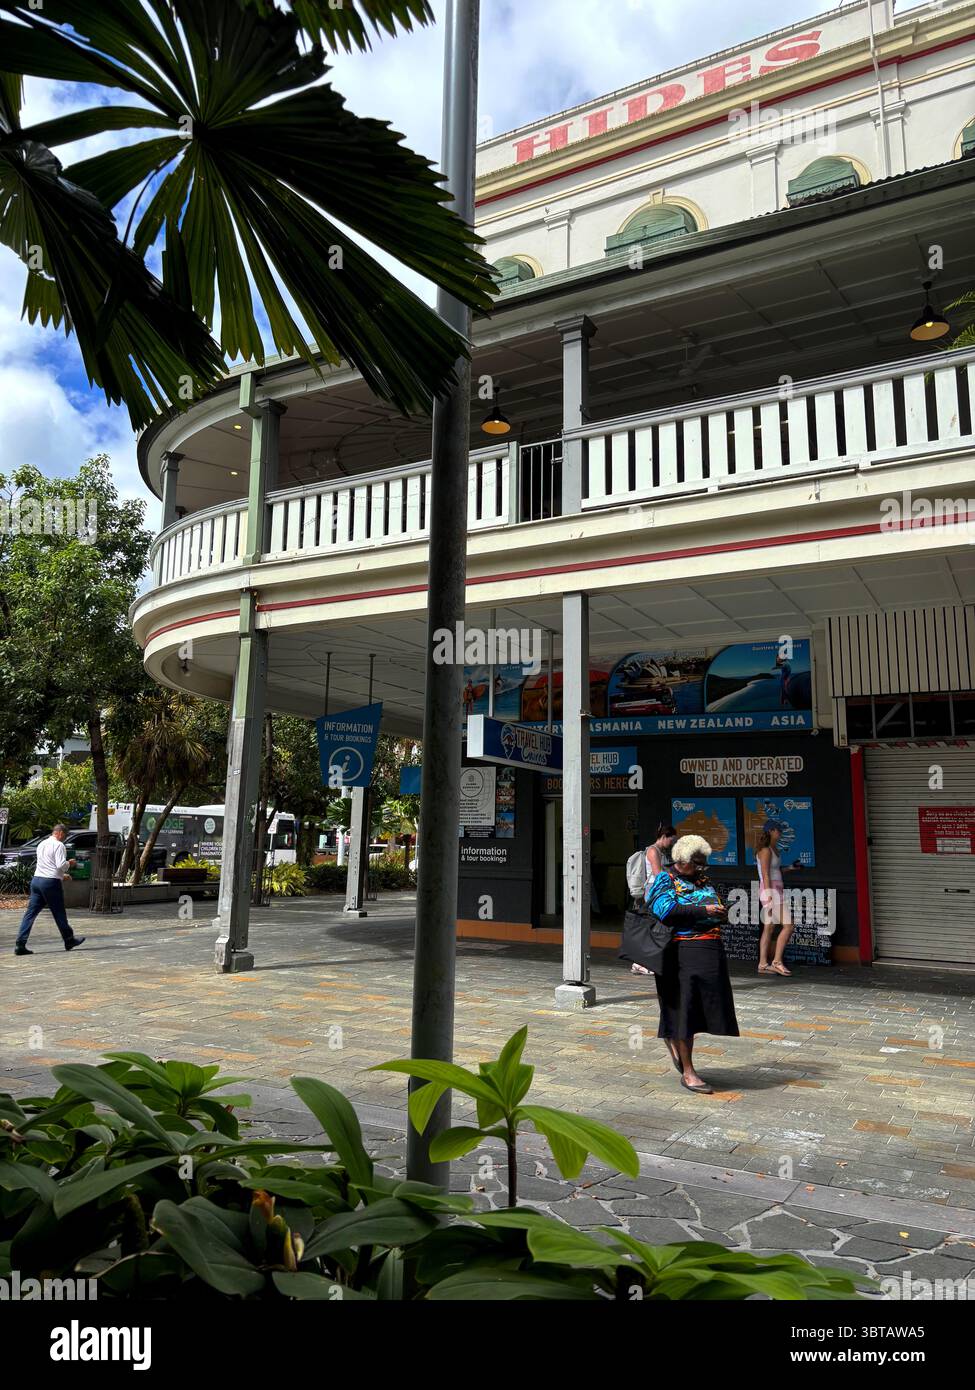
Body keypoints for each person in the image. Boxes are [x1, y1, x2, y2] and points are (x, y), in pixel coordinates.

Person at [646, 833, 739, 1094]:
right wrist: (704, 912)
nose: (701, 868)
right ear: (682, 859)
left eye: (704, 863)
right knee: (684, 1010)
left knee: (700, 1010)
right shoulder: (666, 879)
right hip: (680, 954)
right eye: (698, 862)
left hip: (709, 952)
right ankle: (688, 1072)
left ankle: (673, 1039)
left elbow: (709, 906)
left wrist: (719, 914)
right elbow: (666, 911)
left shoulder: (703, 881)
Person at [13, 824, 87, 956]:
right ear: (59, 833)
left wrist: (60, 876)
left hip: (37, 880)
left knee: (30, 913)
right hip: (50, 883)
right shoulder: (59, 845)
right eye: (64, 836)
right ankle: (69, 940)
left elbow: (47, 864)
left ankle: (20, 943)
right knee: (59, 913)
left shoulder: (41, 844)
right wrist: (70, 863)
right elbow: (60, 865)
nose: (64, 839)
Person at [626, 823, 677, 975]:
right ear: (663, 837)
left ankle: (642, 962)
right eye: (671, 839)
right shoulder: (653, 851)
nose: (672, 843)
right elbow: (658, 874)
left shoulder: (660, 852)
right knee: (650, 929)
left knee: (652, 929)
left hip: (656, 895)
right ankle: (639, 963)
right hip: (652, 895)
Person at [756, 820, 798, 976]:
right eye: (778, 830)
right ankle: (777, 961)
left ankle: (762, 964)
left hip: (776, 889)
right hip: (770, 891)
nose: (780, 833)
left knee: (769, 927)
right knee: (789, 925)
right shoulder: (765, 850)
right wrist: (769, 896)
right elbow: (766, 874)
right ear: (770, 831)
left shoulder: (774, 849)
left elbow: (776, 871)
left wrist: (790, 868)